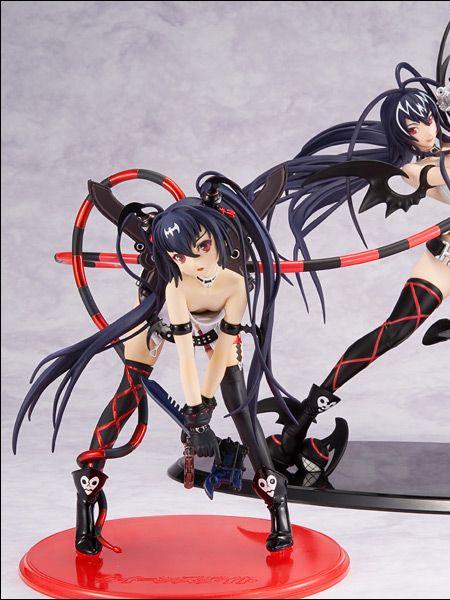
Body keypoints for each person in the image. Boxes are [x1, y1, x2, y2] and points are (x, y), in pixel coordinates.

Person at [244, 20, 450, 472]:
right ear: (402, 134)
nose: (425, 129)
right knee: (393, 332)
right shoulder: (417, 169)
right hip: (449, 263)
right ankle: (302, 419)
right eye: (413, 125)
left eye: (426, 117)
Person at [13, 173, 295, 554]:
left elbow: (223, 346)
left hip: (218, 324)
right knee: (128, 392)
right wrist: (196, 416)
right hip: (160, 314)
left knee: (240, 403)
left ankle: (278, 507)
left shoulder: (233, 279)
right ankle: (87, 501)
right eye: (179, 257)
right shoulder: (174, 283)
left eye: (202, 247)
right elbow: (184, 354)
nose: (194, 263)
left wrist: (202, 410)